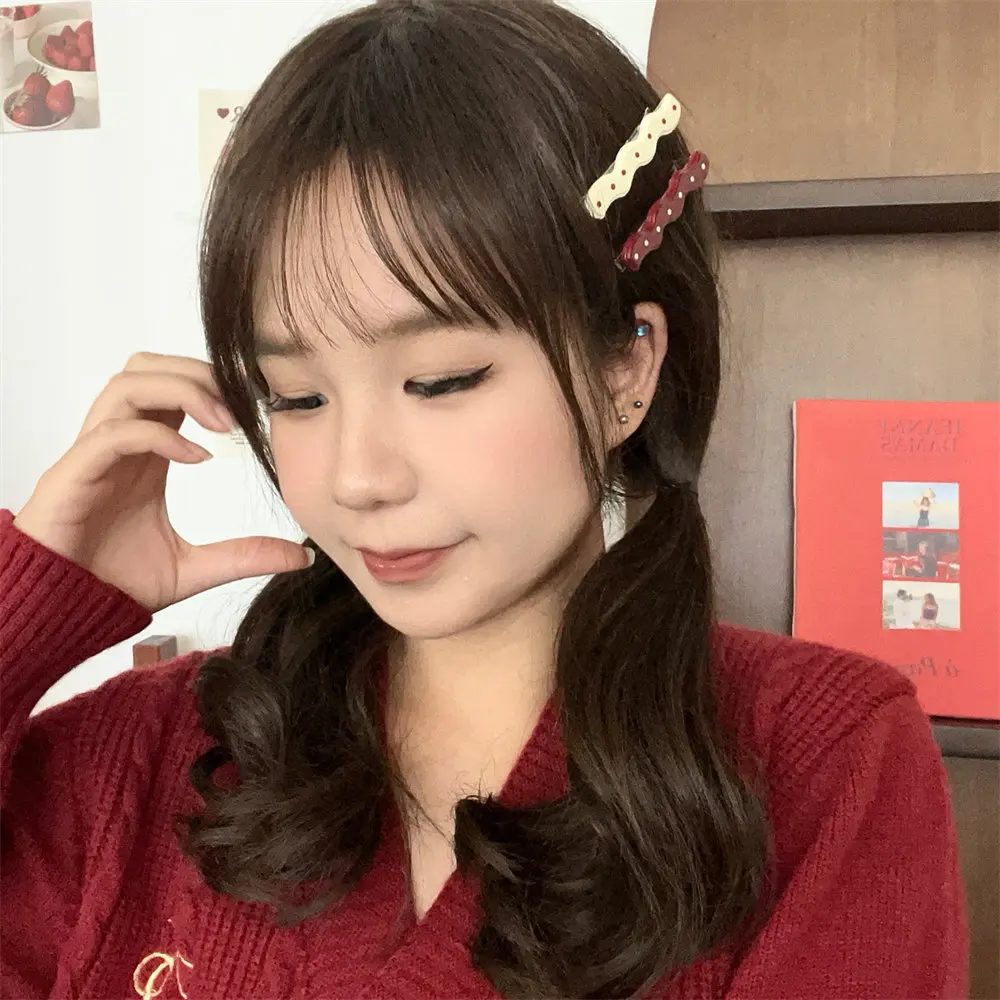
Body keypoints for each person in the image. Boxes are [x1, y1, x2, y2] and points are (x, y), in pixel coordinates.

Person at [0, 2, 967, 998]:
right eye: (295, 396)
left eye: (442, 380)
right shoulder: (144, 757)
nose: (357, 478)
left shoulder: (822, 760)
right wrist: (26, 611)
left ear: (626, 370)